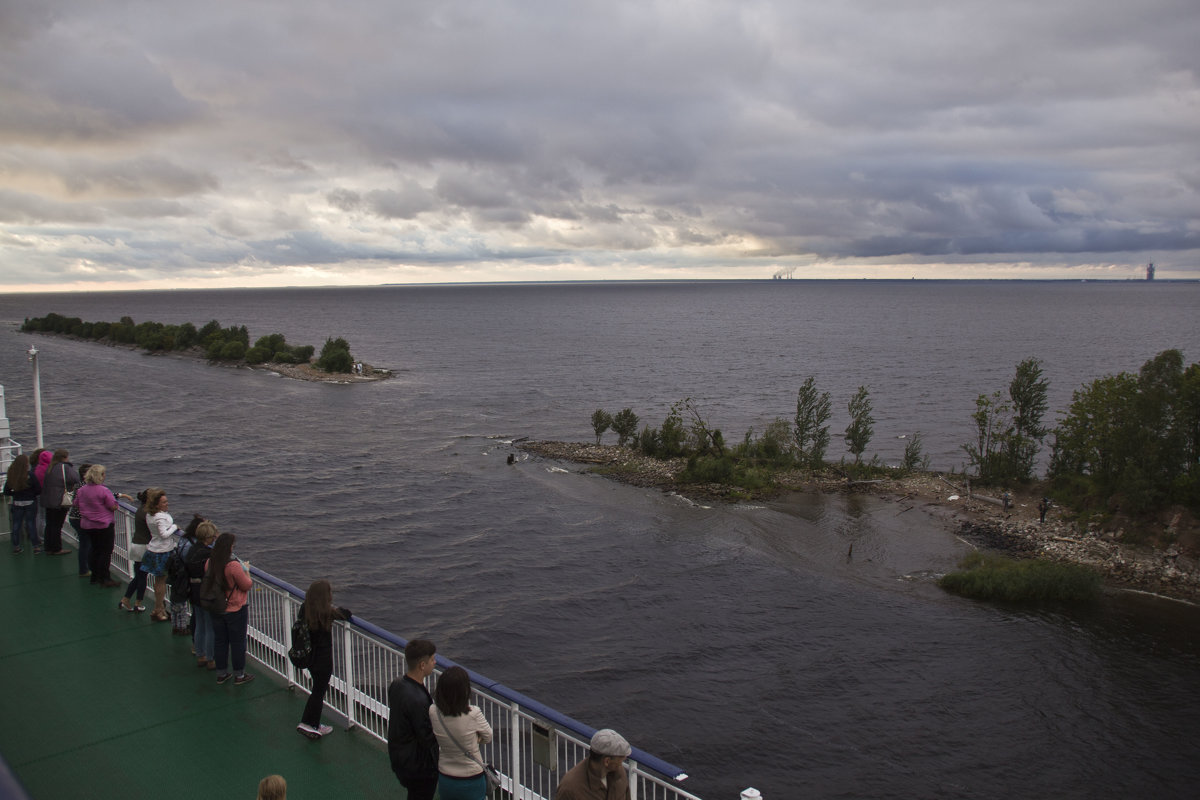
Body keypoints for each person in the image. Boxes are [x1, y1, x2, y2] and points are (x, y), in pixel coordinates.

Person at [295, 579, 352, 739]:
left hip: (310, 659)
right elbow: (346, 614)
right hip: (323, 660)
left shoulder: (305, 608)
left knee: (317, 690)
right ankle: (308, 723)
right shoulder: (327, 613)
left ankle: (315, 723)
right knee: (318, 692)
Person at [429, 665, 493, 800]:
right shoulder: (473, 713)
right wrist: (476, 739)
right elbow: (488, 736)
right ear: (464, 691)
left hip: (446, 776)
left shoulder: (433, 711)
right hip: (471, 777)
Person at [387, 639, 440, 800]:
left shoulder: (397, 685)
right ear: (422, 665)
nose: (435, 662)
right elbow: (426, 737)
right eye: (432, 659)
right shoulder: (418, 700)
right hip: (418, 768)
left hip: (399, 757)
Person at [203, 532, 254, 685]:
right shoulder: (233, 566)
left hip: (216, 607)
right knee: (237, 642)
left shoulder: (209, 562)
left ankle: (221, 673)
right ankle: (239, 675)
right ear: (229, 547)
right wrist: (247, 572)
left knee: (220, 641)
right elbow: (246, 585)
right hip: (235, 609)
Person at [73, 465, 132, 588]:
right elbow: (112, 506)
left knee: (94, 550)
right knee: (105, 552)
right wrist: (115, 504)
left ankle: (94, 577)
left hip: (88, 525)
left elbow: (76, 504)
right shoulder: (103, 490)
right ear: (99, 476)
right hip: (104, 525)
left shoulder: (82, 490)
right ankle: (105, 578)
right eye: (103, 474)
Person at [554, 729, 632, 800]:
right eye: (620, 760)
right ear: (607, 761)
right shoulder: (570, 788)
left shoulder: (619, 773)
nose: (621, 764)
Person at [141, 488, 182, 621]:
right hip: (162, 551)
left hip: (154, 549)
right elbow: (164, 534)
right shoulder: (159, 517)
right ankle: (159, 609)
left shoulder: (150, 515)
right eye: (164, 502)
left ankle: (158, 608)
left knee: (159, 581)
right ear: (157, 504)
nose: (167, 504)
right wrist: (175, 527)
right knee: (161, 582)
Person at [186, 521, 219, 668]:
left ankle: (200, 655)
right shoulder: (208, 554)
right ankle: (211, 658)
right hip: (205, 592)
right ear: (208, 537)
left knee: (199, 623)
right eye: (213, 536)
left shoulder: (192, 549)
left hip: (193, 589)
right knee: (210, 626)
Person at [120, 489, 155, 612]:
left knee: (138, 576)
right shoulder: (148, 513)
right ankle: (138, 602)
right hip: (143, 547)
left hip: (136, 545)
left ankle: (126, 599)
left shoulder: (140, 509)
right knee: (142, 577)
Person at [39, 449, 79, 556]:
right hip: (59, 501)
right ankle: (56, 548)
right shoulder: (64, 467)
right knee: (57, 525)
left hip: (48, 500)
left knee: (50, 524)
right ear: (64, 457)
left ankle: (48, 547)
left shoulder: (50, 467)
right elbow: (76, 478)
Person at [3, 454, 40, 554]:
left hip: (17, 503)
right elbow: (38, 489)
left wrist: (15, 494)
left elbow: (6, 491)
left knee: (16, 525)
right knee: (31, 524)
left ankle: (16, 547)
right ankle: (35, 547)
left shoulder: (12, 476)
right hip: (30, 502)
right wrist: (31, 494)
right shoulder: (30, 475)